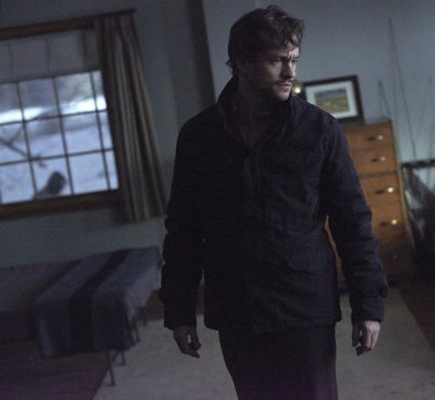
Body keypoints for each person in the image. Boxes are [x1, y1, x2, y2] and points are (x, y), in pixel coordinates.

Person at [159, 5, 388, 399]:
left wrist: (368, 307)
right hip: (235, 304)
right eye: (277, 60)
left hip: (304, 303)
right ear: (241, 61)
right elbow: (182, 230)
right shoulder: (198, 136)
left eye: (294, 60)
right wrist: (179, 312)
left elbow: (353, 222)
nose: (289, 72)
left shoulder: (319, 129)